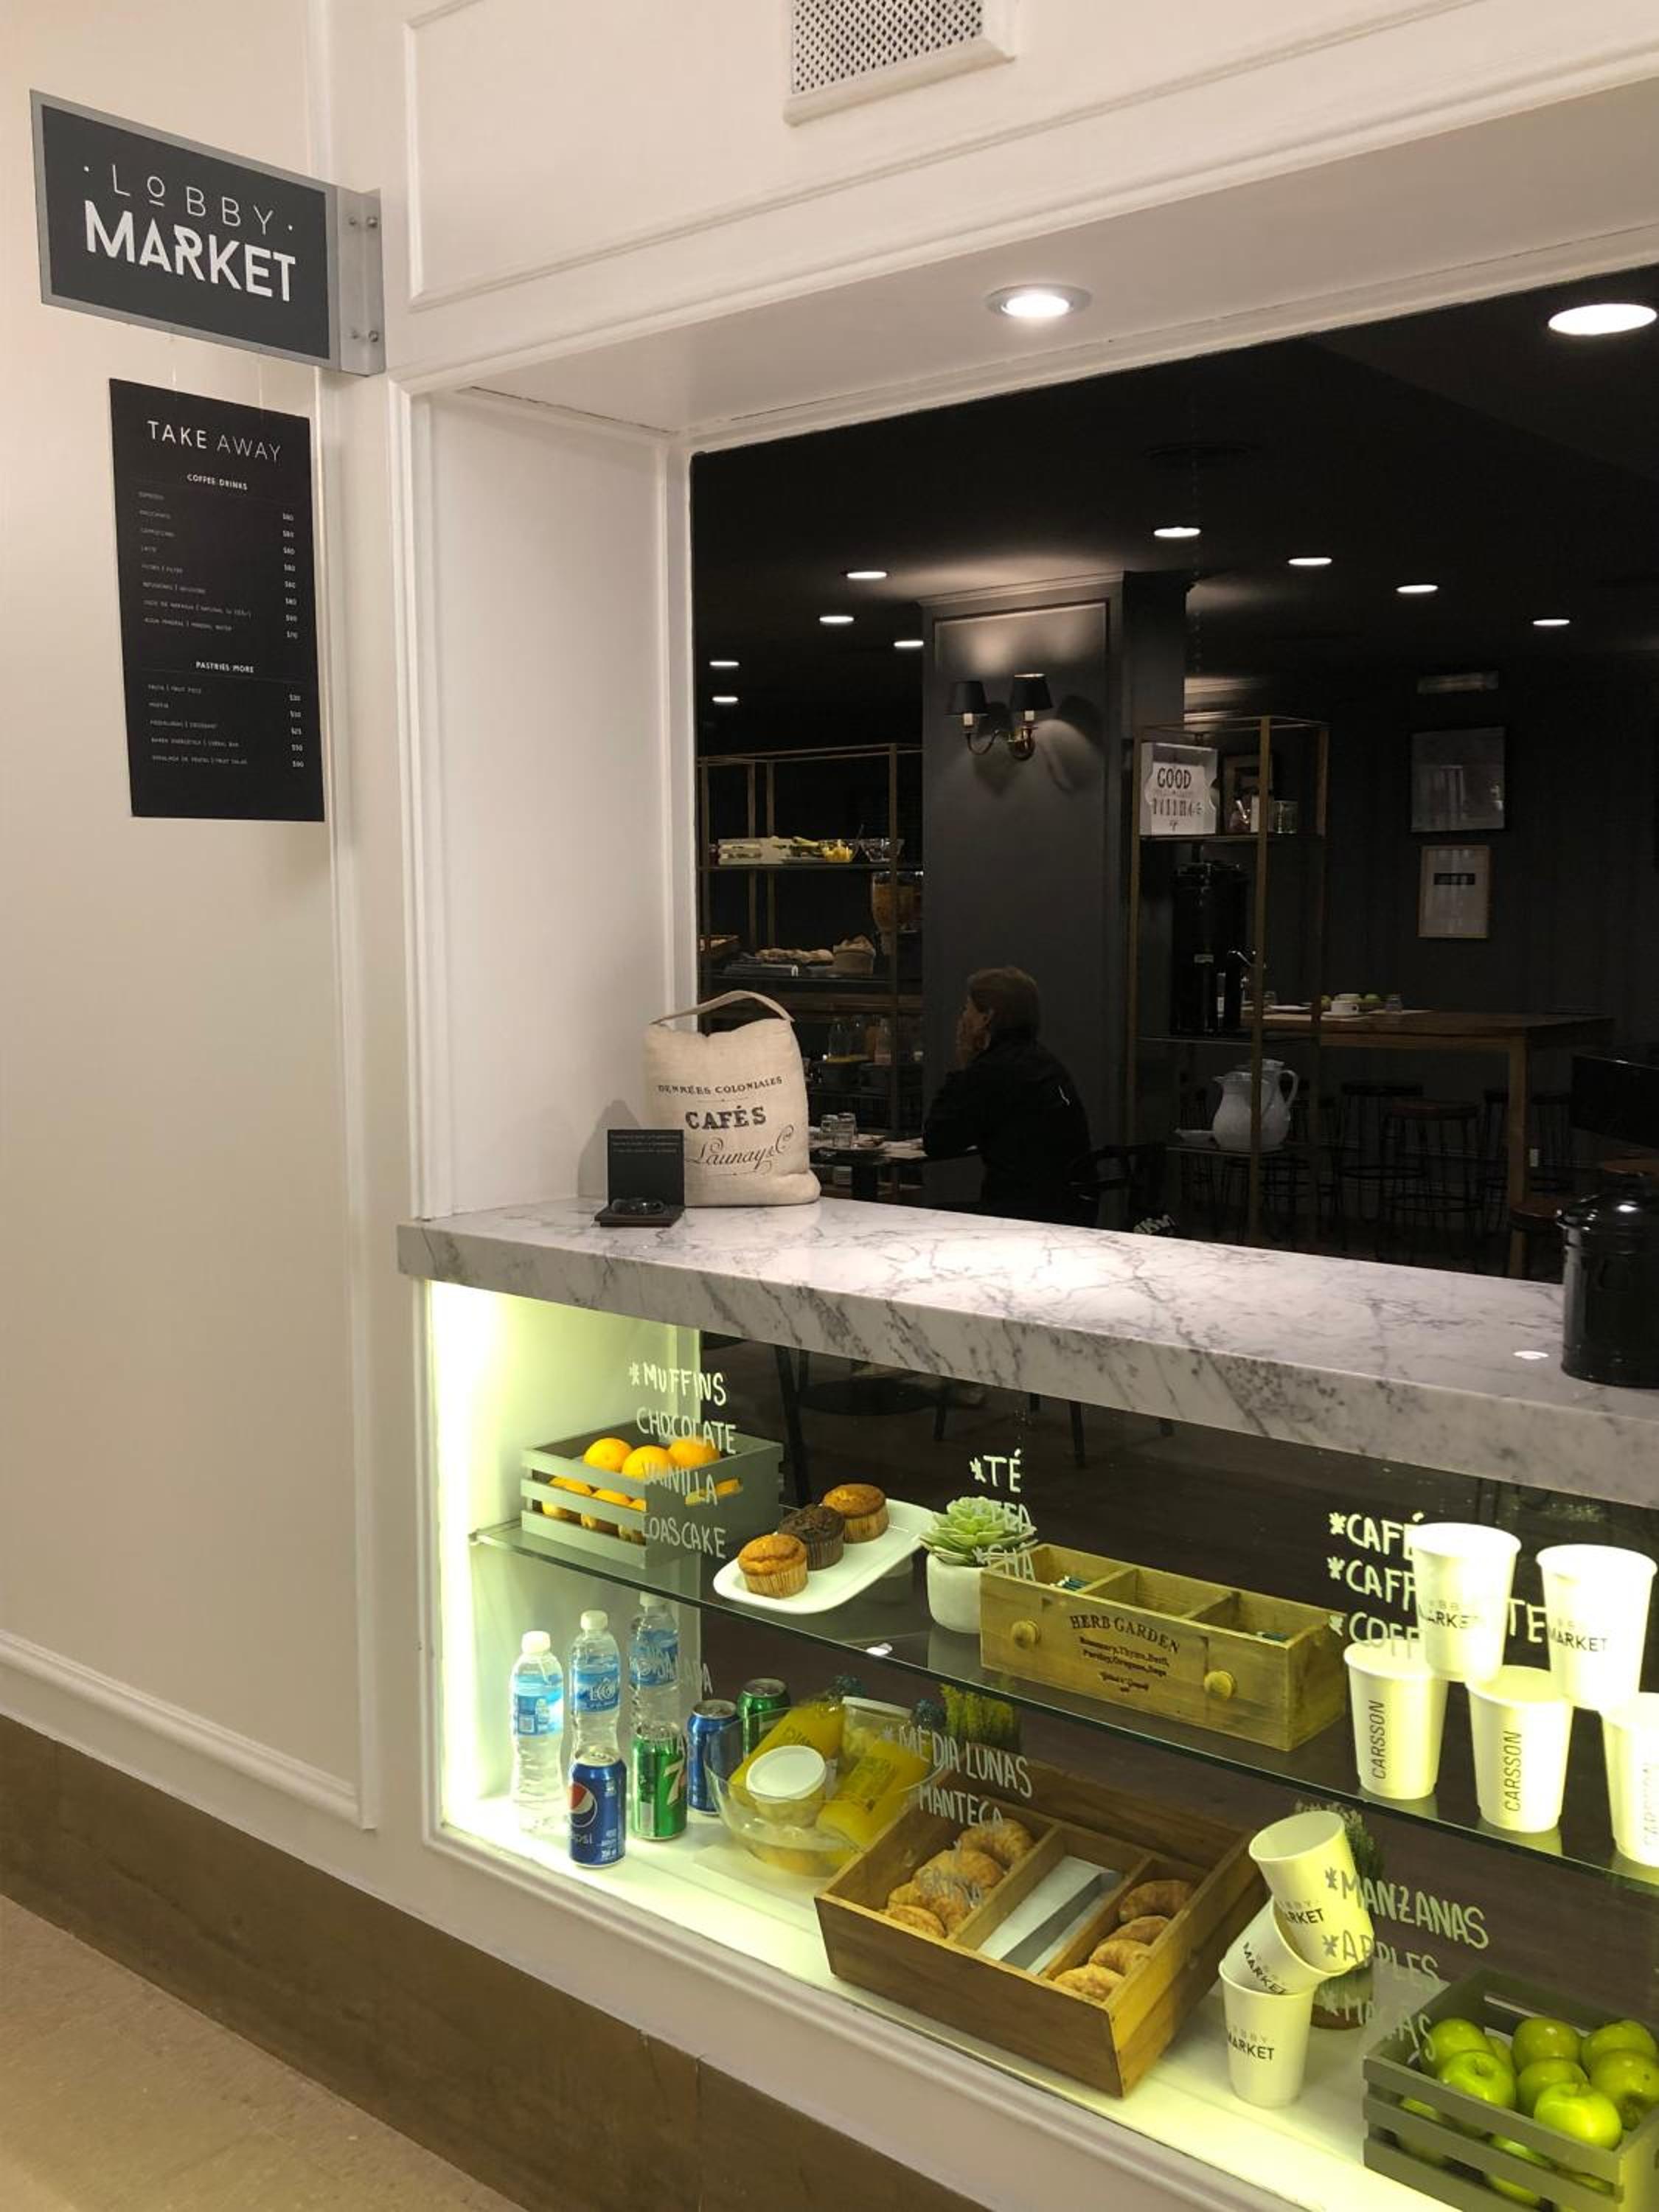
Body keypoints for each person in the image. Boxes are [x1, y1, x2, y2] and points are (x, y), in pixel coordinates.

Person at [922, 967, 1094, 1226]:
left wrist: (965, 1064)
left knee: (927, 1221)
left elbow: (938, 1141)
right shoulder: (1045, 1063)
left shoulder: (992, 1070)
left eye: (967, 1009)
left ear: (987, 1017)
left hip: (1020, 1213)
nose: (962, 1018)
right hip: (1071, 1206)